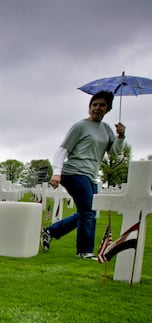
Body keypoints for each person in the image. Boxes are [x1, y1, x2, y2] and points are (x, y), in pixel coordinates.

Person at [41, 90, 126, 259]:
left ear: (108, 109)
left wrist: (121, 136)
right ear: (89, 107)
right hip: (74, 173)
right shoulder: (80, 126)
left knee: (86, 212)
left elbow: (114, 153)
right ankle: (84, 251)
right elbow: (62, 150)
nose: (97, 108)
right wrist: (57, 173)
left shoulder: (106, 129)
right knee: (88, 212)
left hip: (90, 175)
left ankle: (50, 231)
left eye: (102, 105)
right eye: (94, 104)